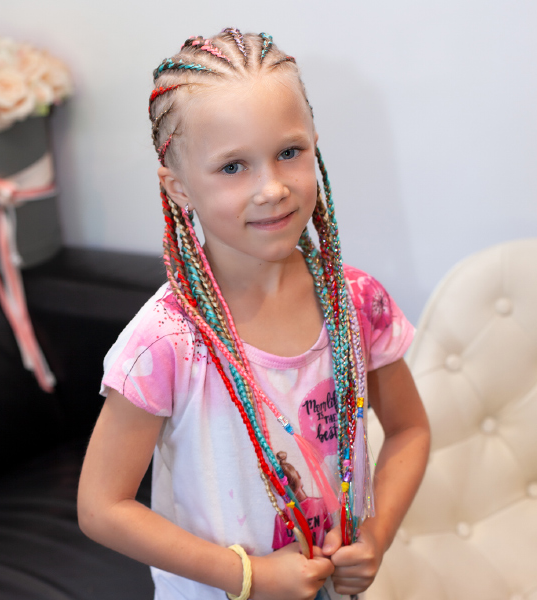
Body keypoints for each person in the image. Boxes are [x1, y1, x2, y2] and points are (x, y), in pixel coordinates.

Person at [78, 28, 430, 600]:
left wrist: (378, 533)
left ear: (314, 144)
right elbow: (101, 506)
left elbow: (410, 429)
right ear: (179, 187)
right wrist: (250, 576)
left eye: (289, 153)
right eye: (233, 167)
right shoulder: (166, 342)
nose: (271, 188)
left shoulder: (357, 304)